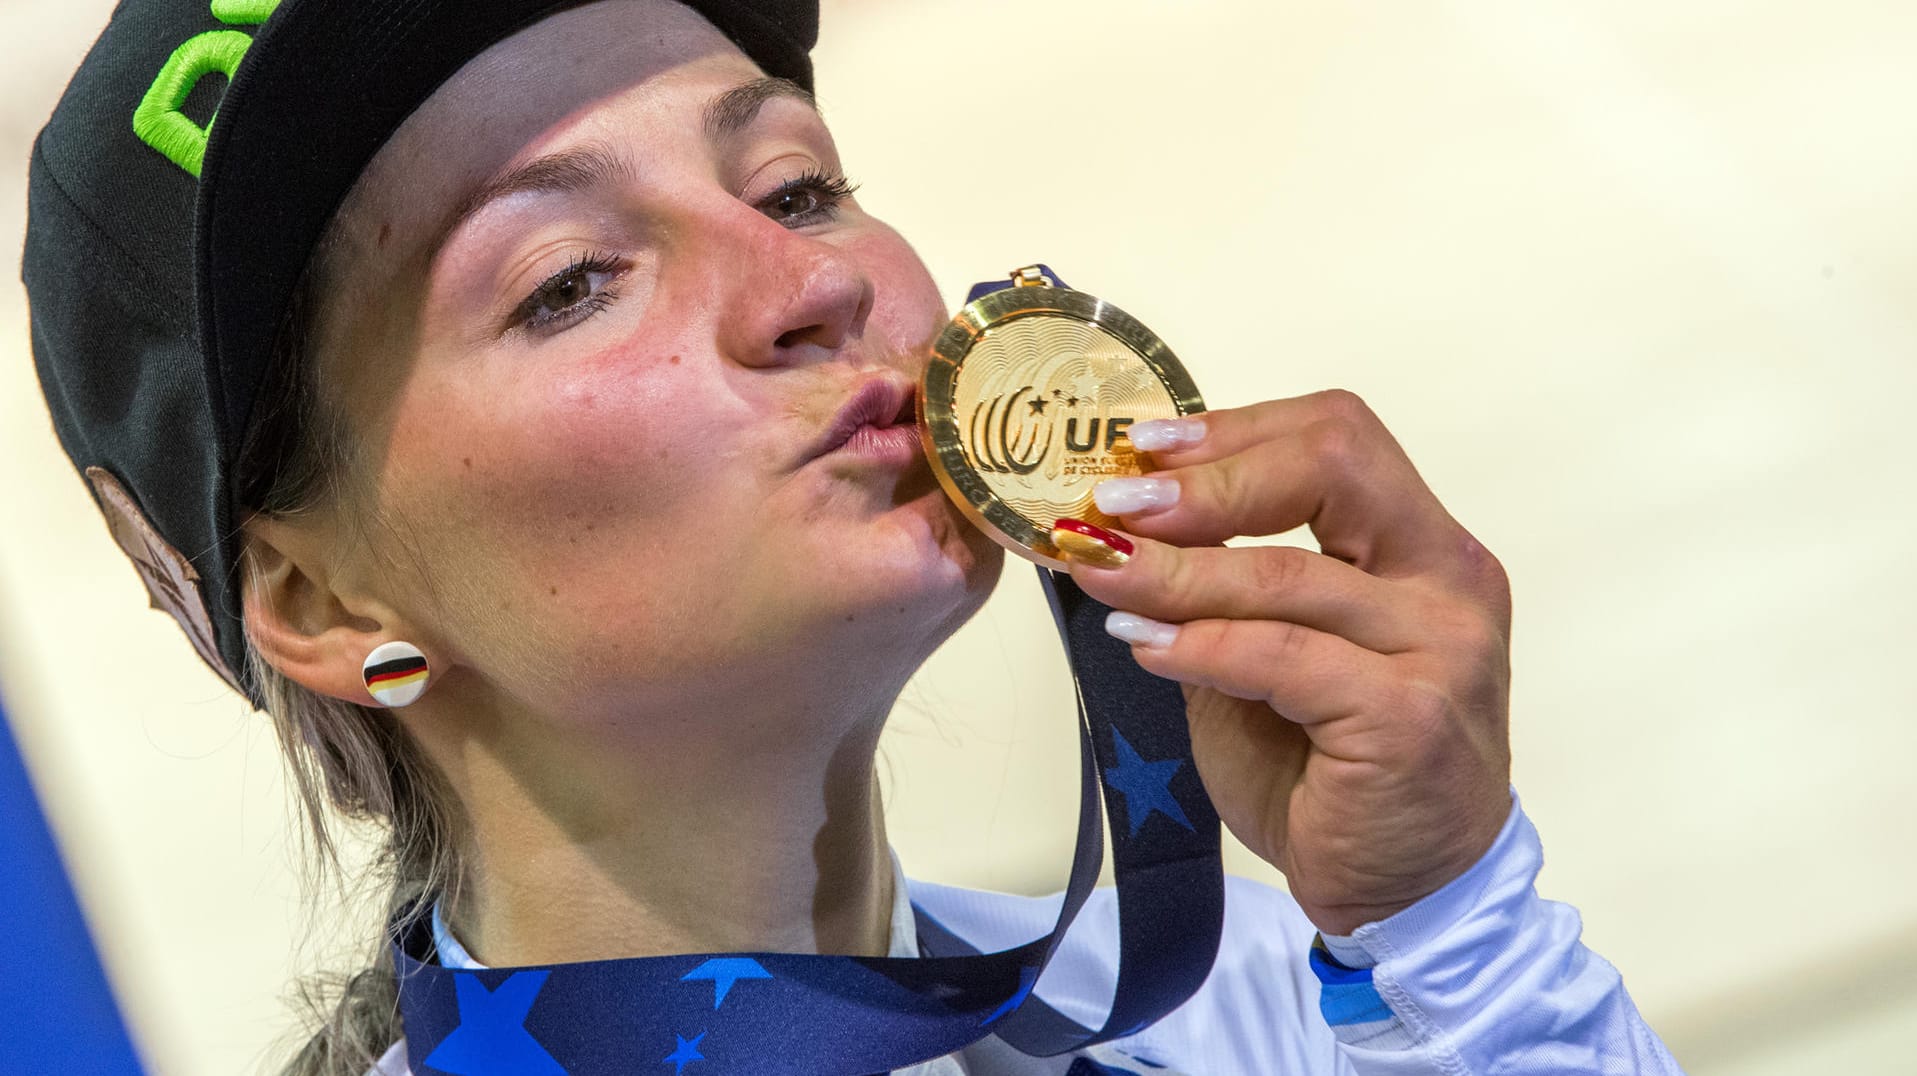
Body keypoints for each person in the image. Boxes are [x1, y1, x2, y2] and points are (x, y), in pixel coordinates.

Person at [24, 1, 1685, 1073]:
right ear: (320, 598)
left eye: (795, 184)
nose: (812, 284)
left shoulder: (1266, 1000)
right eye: (570, 281)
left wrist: (1455, 927)